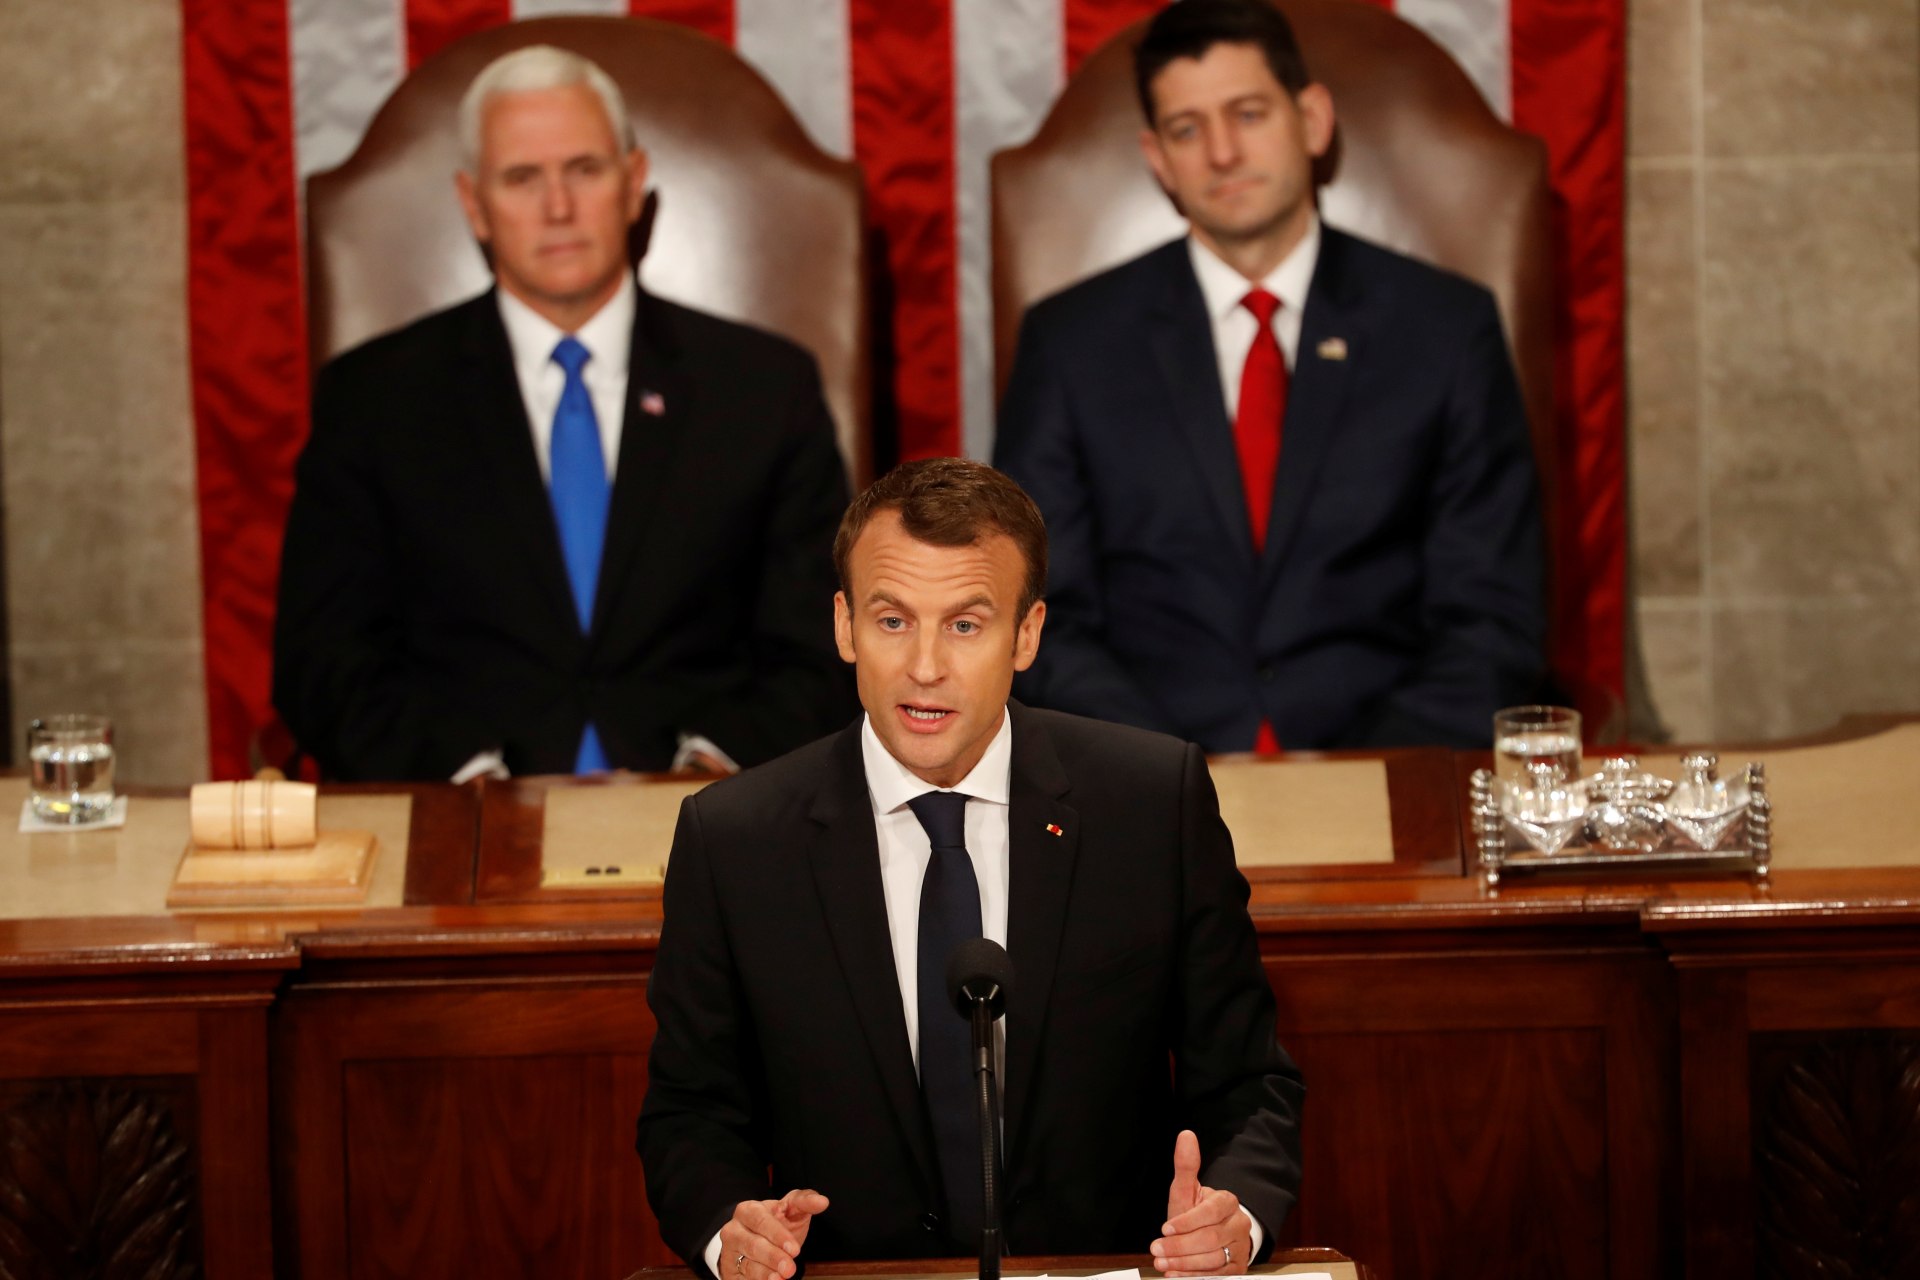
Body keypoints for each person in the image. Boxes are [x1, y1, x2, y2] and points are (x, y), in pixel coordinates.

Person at [638, 458, 1303, 1278]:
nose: (924, 667)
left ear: (1026, 635)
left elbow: (1249, 1084)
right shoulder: (735, 840)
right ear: (844, 626)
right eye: (892, 621)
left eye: (964, 625)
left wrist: (1235, 1216)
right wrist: (728, 1231)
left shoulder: (1150, 805)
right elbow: (690, 1116)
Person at [273, 45, 852, 781]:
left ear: (633, 184)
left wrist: (713, 766)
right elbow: (323, 658)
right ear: (473, 205)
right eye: (522, 178)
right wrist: (464, 778)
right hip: (462, 813)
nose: (558, 207)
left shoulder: (763, 387)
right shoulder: (375, 398)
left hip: (708, 808)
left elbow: (824, 640)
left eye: (584, 169)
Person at [994, 0, 1546, 753]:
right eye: (1187, 129)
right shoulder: (1071, 344)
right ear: (1158, 159)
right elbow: (1041, 618)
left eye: (1248, 114)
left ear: (1312, 120)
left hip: (1390, 768)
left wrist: (1360, 779)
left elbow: (1491, 619)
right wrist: (1167, 777)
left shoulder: (1446, 330)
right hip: (1145, 777)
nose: (1222, 153)